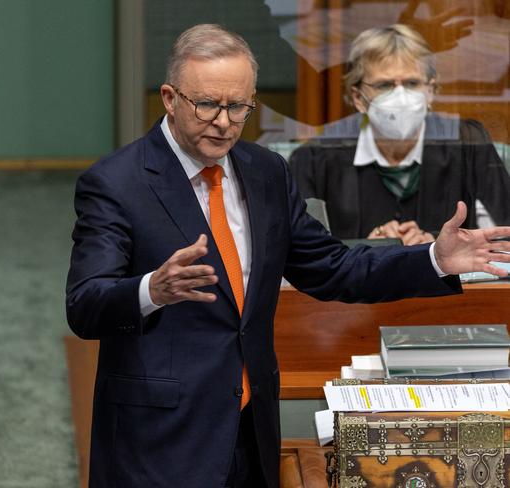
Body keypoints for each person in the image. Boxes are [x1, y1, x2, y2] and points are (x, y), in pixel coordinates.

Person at [65, 24, 510, 488]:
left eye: (238, 107)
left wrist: (434, 259)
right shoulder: (116, 183)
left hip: (251, 431)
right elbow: (84, 305)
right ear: (170, 98)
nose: (223, 122)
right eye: (207, 105)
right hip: (160, 442)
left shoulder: (265, 172)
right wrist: (150, 290)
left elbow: (334, 269)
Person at [289, 24, 510, 245]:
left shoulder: (468, 142)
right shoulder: (315, 157)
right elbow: (301, 249)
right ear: (358, 97)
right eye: (384, 85)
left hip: (445, 279)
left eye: (412, 83)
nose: (400, 96)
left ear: (430, 91)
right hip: (355, 279)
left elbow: (505, 231)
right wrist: (361, 250)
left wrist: (434, 245)